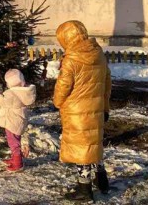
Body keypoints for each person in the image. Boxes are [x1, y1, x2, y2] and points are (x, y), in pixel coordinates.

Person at [54, 20, 112, 202]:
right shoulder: (99, 53)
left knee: (82, 150)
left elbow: (63, 87)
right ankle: (101, 179)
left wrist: (57, 102)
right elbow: (107, 81)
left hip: (77, 111)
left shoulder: (71, 59)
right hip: (96, 107)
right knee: (94, 144)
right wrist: (105, 106)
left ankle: (84, 189)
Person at [0, 68, 37, 172]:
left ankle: (18, 163)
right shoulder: (22, 91)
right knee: (15, 140)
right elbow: (8, 99)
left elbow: (2, 100)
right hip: (17, 120)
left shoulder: (12, 94)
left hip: (12, 122)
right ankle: (15, 158)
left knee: (13, 142)